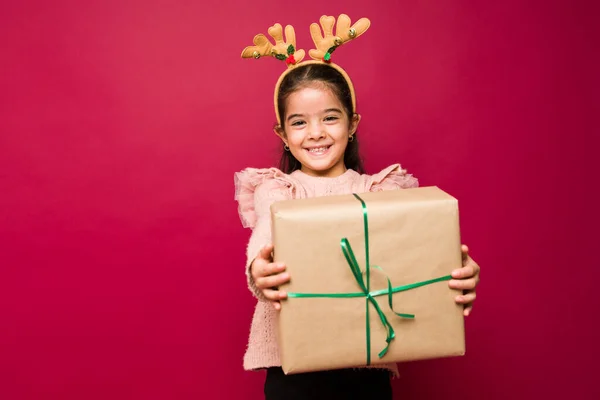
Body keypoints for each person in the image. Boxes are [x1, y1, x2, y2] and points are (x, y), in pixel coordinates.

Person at [234, 14, 481, 400]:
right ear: (283, 135)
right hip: (292, 374)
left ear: (351, 124)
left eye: (330, 118)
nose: (315, 133)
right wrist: (259, 269)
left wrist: (453, 273)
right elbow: (265, 236)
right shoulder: (278, 189)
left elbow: (415, 254)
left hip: (367, 365)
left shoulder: (379, 191)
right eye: (299, 123)